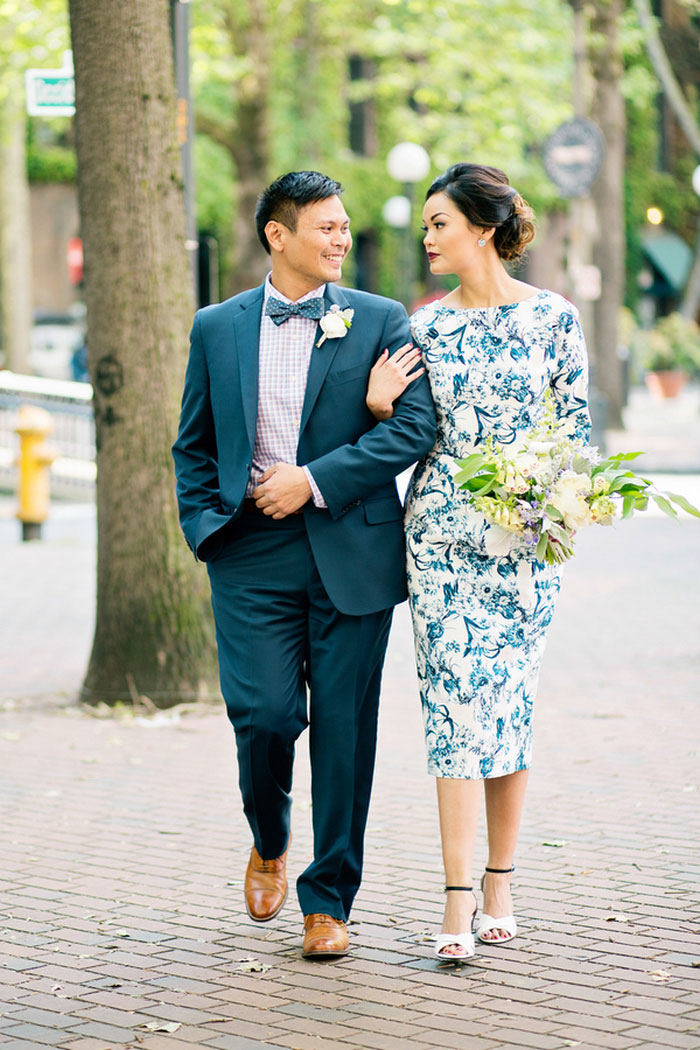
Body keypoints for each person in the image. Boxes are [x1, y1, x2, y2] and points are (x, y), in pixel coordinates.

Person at [172, 171, 436, 959]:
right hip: (248, 553)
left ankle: (329, 902)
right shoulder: (216, 328)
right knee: (264, 716)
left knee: (346, 734)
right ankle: (267, 836)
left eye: (345, 226)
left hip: (350, 547)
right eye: (325, 227)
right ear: (277, 235)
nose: (341, 239)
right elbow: (192, 443)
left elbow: (412, 429)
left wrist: (314, 480)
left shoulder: (381, 320)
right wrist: (203, 527)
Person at [366, 163, 591, 959]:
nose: (427, 237)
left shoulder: (556, 321)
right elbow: (405, 432)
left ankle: (501, 879)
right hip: (439, 545)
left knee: (510, 709)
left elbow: (575, 438)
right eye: (426, 224)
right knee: (455, 713)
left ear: (483, 228)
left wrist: (554, 510)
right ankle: (458, 898)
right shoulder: (423, 328)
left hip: (527, 547)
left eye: (439, 223)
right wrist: (380, 404)